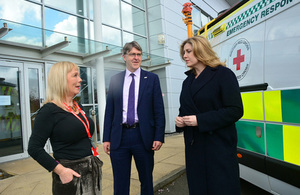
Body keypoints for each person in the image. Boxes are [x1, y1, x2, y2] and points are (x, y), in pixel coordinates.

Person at [175, 36, 243, 195]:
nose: (185, 56)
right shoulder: (187, 81)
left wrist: (199, 120)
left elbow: (235, 110)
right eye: (184, 52)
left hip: (218, 148)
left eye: (189, 51)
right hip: (194, 150)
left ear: (201, 51)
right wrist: (180, 121)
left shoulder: (223, 74)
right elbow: (184, 110)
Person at [28, 61, 103, 195]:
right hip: (71, 177)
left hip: (91, 172)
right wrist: (61, 171)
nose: (80, 79)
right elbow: (34, 148)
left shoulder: (77, 105)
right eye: (75, 75)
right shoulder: (49, 111)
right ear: (61, 79)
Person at [103, 41, 165, 195]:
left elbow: (158, 110)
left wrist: (159, 136)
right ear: (124, 57)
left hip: (143, 137)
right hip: (119, 137)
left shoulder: (152, 79)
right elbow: (109, 110)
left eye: (139, 54)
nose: (136, 58)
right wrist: (106, 138)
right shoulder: (115, 80)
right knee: (120, 182)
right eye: (132, 54)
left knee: (146, 180)